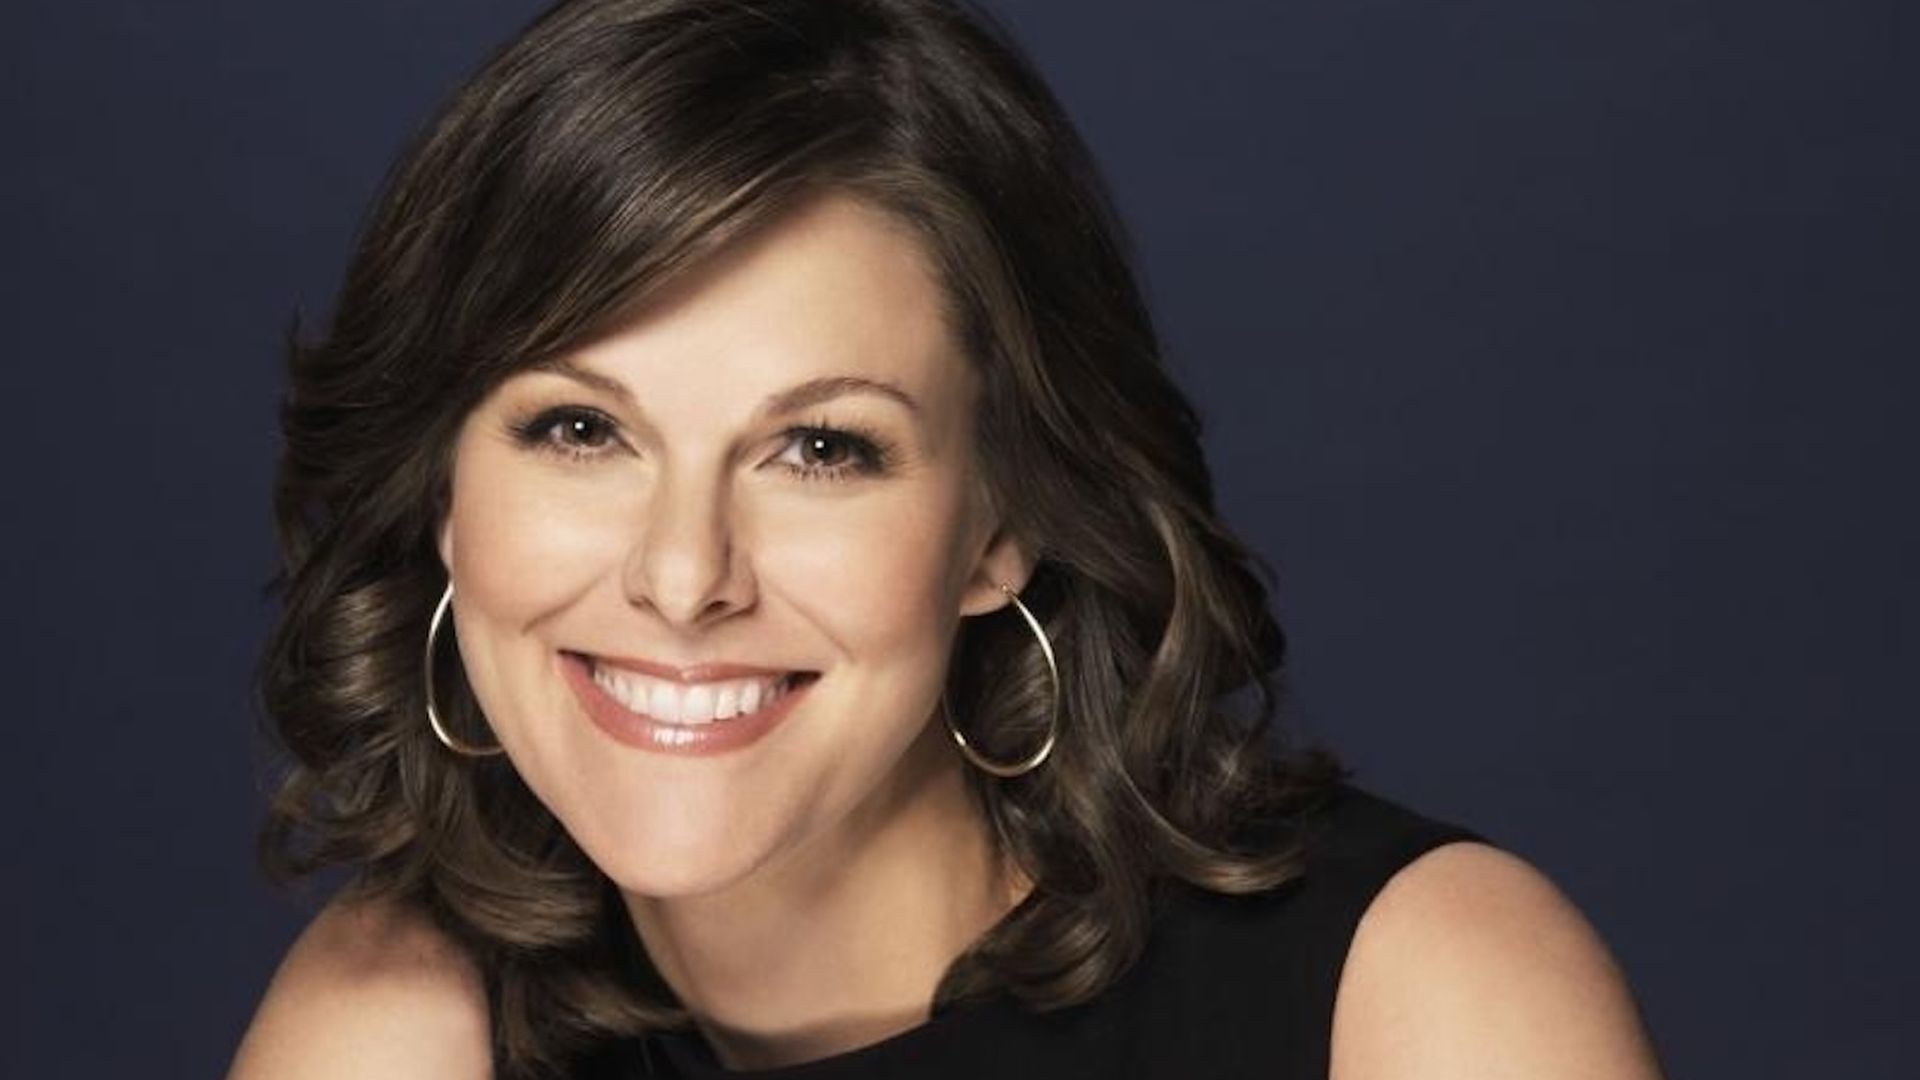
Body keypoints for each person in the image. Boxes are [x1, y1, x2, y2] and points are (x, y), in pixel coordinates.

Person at [229, 1, 1664, 1077]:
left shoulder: (1422, 1002)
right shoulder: (393, 1035)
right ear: (442, 494)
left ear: (1005, 524)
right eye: (581, 431)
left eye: (821, 449)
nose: (681, 578)